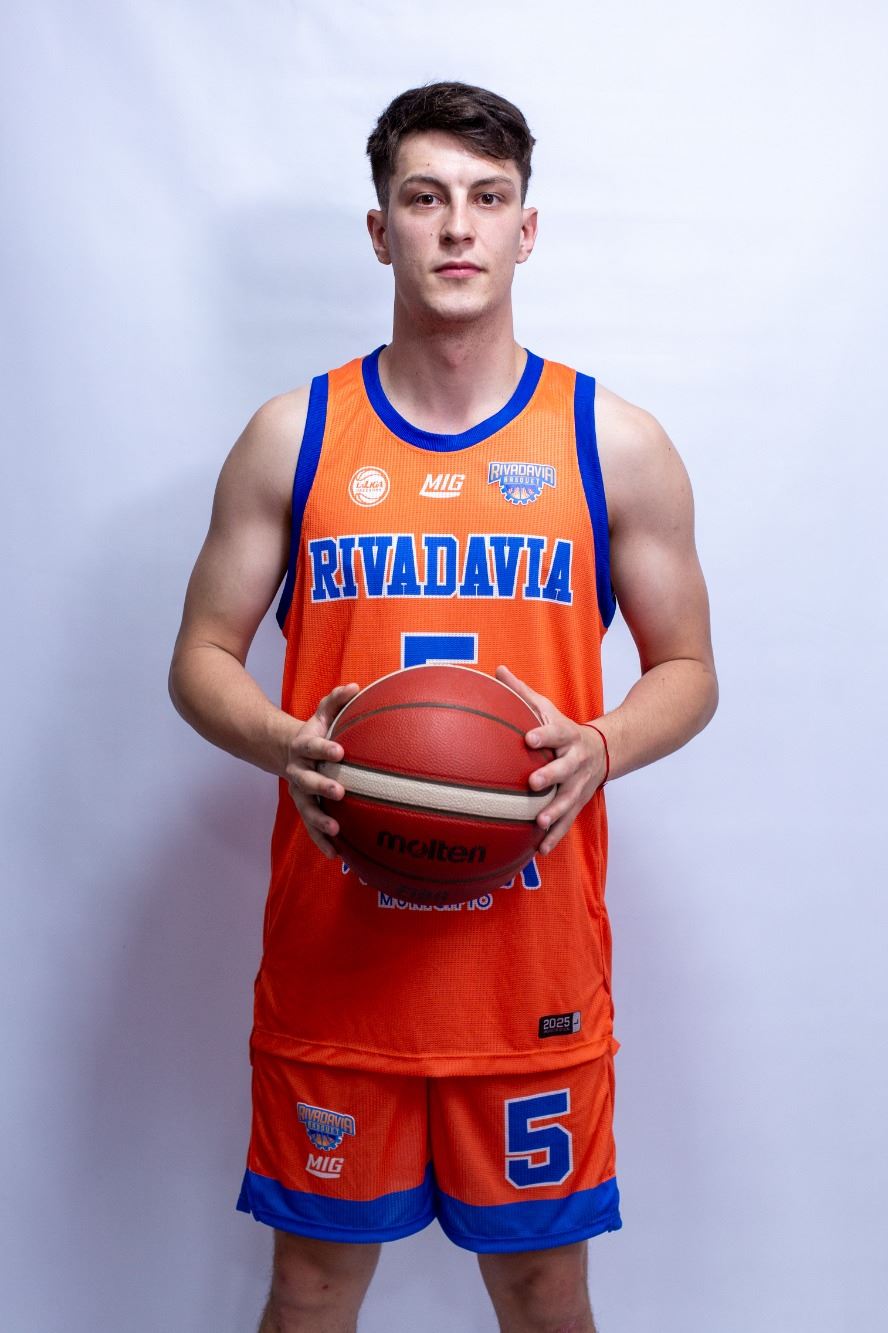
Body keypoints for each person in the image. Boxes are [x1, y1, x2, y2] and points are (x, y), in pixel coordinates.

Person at [169, 81, 718, 1333]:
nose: (457, 225)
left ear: (528, 229)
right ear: (382, 231)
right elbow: (200, 654)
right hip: (335, 962)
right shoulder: (295, 435)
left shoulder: (613, 442)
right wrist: (286, 740)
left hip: (529, 966)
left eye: (487, 197)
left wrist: (602, 743)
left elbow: (688, 668)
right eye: (424, 198)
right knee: (309, 1289)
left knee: (544, 1293)